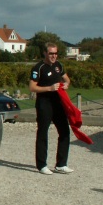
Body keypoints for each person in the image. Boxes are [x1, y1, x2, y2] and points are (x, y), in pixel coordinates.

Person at [29, 42, 73, 175]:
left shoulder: (59, 65)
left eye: (55, 53)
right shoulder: (39, 68)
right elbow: (32, 87)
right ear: (45, 53)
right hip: (44, 103)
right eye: (51, 53)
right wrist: (49, 88)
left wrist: (66, 84)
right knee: (43, 133)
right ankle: (42, 165)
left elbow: (67, 79)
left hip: (58, 103)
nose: (53, 56)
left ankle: (61, 164)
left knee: (65, 132)